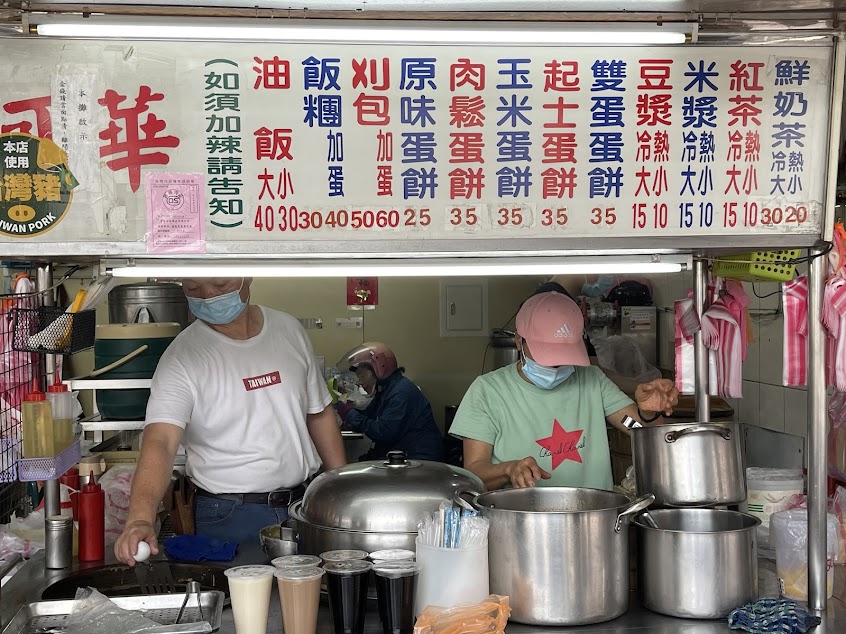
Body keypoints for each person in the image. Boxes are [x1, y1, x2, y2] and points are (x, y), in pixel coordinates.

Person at [114, 277, 346, 566]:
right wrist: (139, 518)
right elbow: (160, 441)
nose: (209, 296)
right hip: (228, 514)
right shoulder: (181, 357)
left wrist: (341, 490)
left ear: (247, 275)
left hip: (303, 506)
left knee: (306, 602)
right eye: (194, 289)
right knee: (237, 608)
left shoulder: (289, 330)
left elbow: (319, 413)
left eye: (220, 286)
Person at [450, 291, 677, 491]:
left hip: (595, 519)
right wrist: (509, 469)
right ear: (520, 341)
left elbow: (636, 428)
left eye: (563, 357)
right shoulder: (488, 391)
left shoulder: (591, 380)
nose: (556, 366)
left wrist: (648, 413)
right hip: (521, 521)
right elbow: (475, 473)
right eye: (547, 357)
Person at [335, 342, 445, 462]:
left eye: (361, 376)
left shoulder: (401, 392)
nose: (360, 382)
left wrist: (348, 412)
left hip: (419, 460)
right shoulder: (387, 389)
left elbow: (383, 432)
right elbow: (369, 414)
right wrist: (347, 410)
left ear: (379, 369)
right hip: (405, 456)